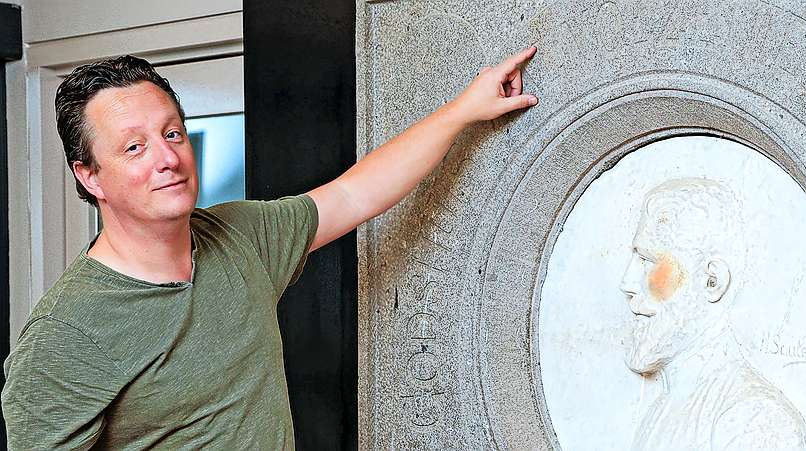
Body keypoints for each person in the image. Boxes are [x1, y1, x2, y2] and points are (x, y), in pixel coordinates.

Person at [1, 47, 538, 448]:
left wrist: (464, 110)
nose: (166, 158)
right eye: (134, 147)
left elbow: (353, 194)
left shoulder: (240, 237)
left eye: (172, 134)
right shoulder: (67, 334)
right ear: (89, 175)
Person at [620, 178, 806, 450]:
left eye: (648, 260)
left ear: (712, 281)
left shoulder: (755, 420)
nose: (626, 283)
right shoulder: (664, 410)